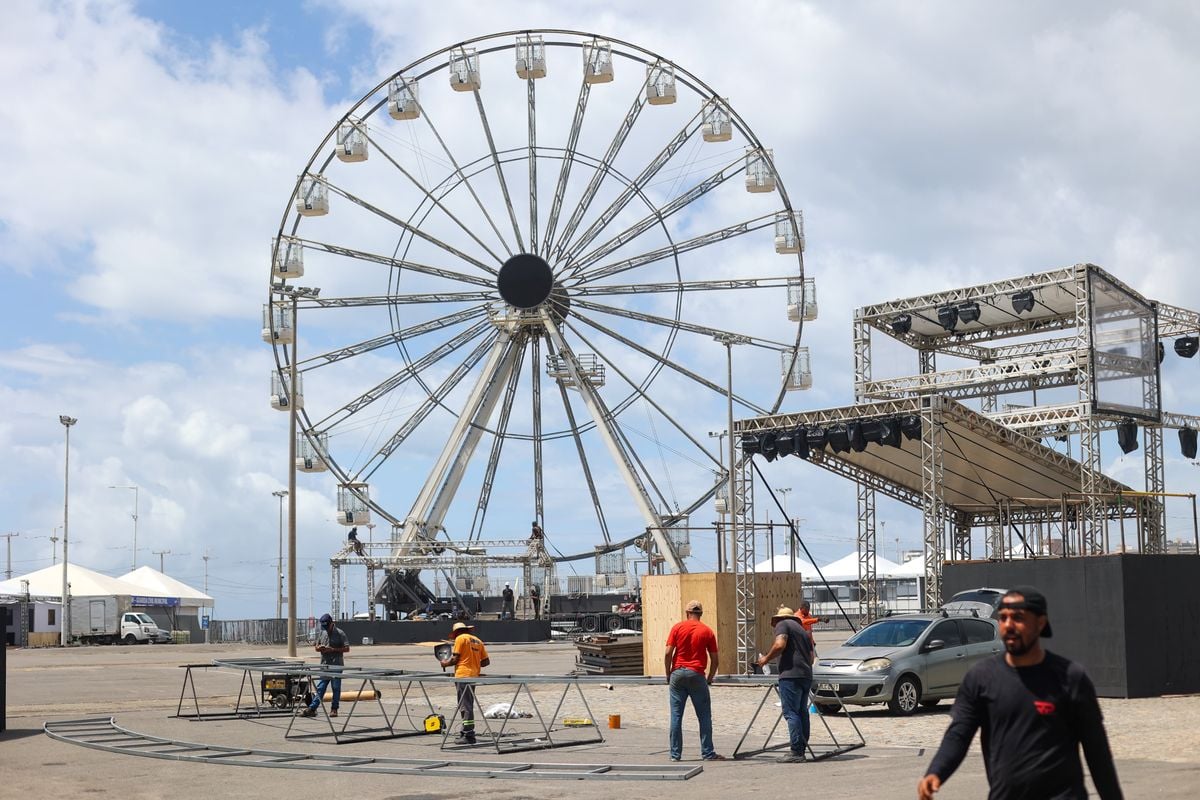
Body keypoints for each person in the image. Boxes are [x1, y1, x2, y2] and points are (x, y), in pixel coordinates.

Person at [917, 586, 1123, 800]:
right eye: (1003, 618)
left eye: (1018, 618)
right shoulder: (981, 677)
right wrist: (936, 771)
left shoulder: (1071, 678)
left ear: (1040, 623)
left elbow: (1097, 752)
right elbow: (959, 734)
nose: (1009, 625)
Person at [664, 600, 725, 762]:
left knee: (676, 716)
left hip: (677, 673)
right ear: (701, 614)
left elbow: (668, 652)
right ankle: (707, 753)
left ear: (687, 613)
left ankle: (675, 755)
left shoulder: (677, 628)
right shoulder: (707, 631)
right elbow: (715, 659)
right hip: (697, 674)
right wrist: (710, 678)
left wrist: (668, 673)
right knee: (704, 716)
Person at [755, 606, 814, 763]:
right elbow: (811, 657)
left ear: (779, 619)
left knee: (790, 712)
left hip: (790, 675)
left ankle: (796, 752)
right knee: (802, 712)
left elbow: (780, 644)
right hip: (806, 675)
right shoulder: (802, 630)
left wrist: (765, 659)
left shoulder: (783, 624)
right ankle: (801, 748)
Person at [439, 620, 490, 744]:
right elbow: (485, 662)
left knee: (464, 705)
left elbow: (455, 659)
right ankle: (467, 732)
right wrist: (473, 661)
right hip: (473, 676)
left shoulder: (460, 639)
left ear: (456, 632)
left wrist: (445, 663)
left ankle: (468, 735)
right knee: (468, 704)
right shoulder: (478, 640)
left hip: (462, 675)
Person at [301, 613, 350, 718]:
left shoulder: (340, 633)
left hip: (336, 665)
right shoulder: (322, 633)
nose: (326, 629)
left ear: (332, 623)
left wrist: (333, 649)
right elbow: (316, 646)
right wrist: (319, 648)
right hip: (324, 665)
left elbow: (347, 648)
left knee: (336, 687)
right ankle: (312, 708)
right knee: (321, 687)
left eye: (327, 626)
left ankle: (334, 709)